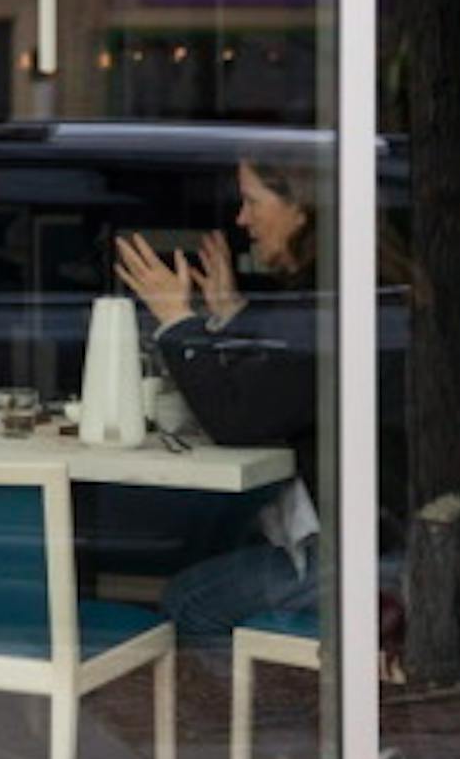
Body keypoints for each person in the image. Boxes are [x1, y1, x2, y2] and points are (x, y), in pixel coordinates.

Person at [115, 151, 325, 644]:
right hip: (347, 534)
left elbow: (240, 420)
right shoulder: (336, 292)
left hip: (349, 556)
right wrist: (229, 318)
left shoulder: (326, 302)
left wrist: (177, 320)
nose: (241, 219)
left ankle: (260, 720)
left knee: (190, 602)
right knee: (213, 545)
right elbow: (275, 390)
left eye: (252, 201)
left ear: (302, 207)